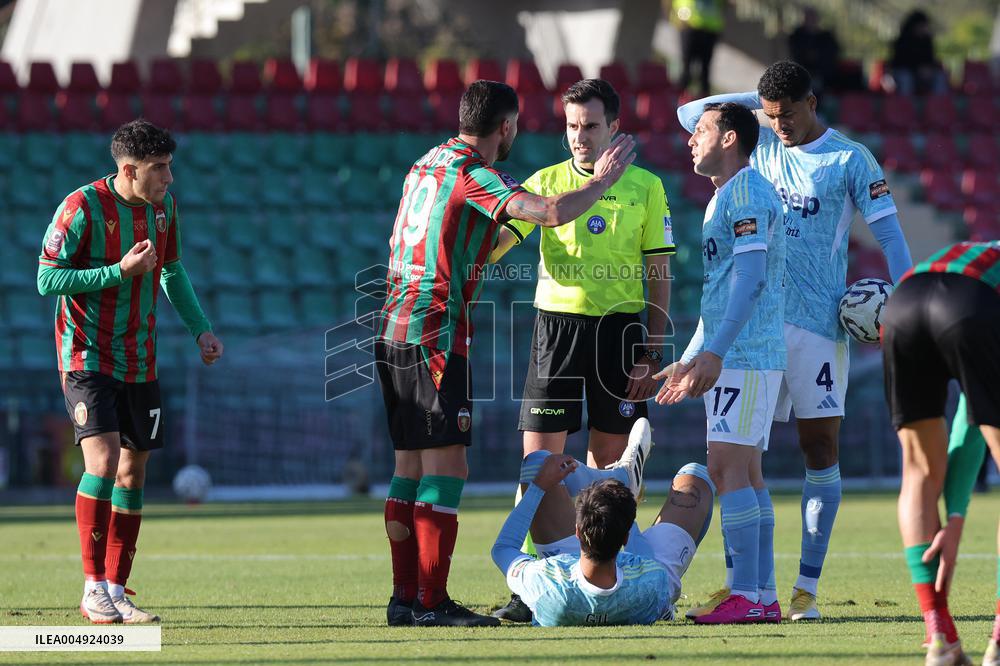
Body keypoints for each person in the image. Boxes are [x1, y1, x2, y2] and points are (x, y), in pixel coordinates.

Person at [375, 79, 636, 627]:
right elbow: (544, 211)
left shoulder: (425, 163)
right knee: (448, 467)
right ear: (507, 127)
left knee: (408, 469)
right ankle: (430, 602)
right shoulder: (474, 171)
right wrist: (605, 181)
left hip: (392, 325)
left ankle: (406, 599)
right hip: (435, 331)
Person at [677, 60, 913, 621]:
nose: (778, 124)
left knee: (819, 450)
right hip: (758, 325)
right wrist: (757, 101)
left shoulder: (850, 159)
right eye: (770, 115)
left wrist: (908, 301)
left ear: (813, 102)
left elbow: (889, 234)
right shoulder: (759, 144)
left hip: (818, 326)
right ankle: (747, 588)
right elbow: (692, 116)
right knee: (742, 457)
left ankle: (804, 587)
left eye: (787, 113)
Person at [489, 78, 673, 622]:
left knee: (613, 473)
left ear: (614, 126)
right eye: (572, 126)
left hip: (621, 335)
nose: (580, 136)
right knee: (537, 465)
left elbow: (658, 271)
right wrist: (473, 239)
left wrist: (653, 349)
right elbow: (501, 244)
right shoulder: (544, 183)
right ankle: (529, 589)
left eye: (590, 125)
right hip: (558, 332)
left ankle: (619, 581)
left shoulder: (646, 186)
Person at [36, 119, 223, 624]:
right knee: (102, 462)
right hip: (86, 355)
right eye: (159, 168)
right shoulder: (81, 207)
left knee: (132, 470)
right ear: (128, 169)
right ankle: (93, 586)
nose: (168, 177)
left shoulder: (163, 210)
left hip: (140, 357)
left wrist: (200, 329)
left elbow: (172, 270)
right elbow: (46, 278)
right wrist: (117, 271)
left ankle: (117, 588)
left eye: (169, 166)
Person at [653, 101, 786, 624]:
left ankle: (749, 596)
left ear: (730, 139)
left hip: (746, 355)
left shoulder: (748, 191)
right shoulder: (724, 197)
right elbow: (723, 291)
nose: (691, 140)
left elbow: (751, 280)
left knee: (727, 468)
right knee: (746, 472)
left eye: (702, 130)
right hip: (741, 352)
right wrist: (689, 359)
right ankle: (759, 594)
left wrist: (715, 351)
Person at [881, 241, 1000, 665]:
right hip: (969, 303)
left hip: (904, 302)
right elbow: (976, 419)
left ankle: (940, 639)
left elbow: (972, 419)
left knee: (918, 470)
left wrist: (955, 516)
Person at [491, 418, 717, 626]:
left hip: (582, 564)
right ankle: (624, 481)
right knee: (697, 476)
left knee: (538, 462)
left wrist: (538, 486)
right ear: (626, 536)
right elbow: (646, 568)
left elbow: (503, 548)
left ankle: (622, 478)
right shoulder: (654, 582)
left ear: (578, 531)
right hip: (643, 571)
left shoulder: (546, 581)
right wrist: (625, 518)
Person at [888, 10, 948, 96]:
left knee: (939, 77)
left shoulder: (927, 41)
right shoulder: (902, 42)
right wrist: (917, 69)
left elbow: (930, 60)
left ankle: (938, 106)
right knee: (906, 78)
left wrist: (930, 69)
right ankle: (905, 106)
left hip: (923, 76)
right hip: (904, 73)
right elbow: (899, 62)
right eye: (922, 25)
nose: (925, 28)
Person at [673, 0, 725, 96]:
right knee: (686, 70)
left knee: (704, 72)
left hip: (709, 28)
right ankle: (678, 100)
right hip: (688, 25)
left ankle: (703, 100)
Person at [788, 7, 840, 96]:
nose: (811, 21)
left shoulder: (826, 37)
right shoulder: (797, 36)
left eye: (813, 18)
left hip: (823, 76)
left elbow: (832, 55)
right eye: (808, 18)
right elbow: (796, 54)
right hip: (801, 74)